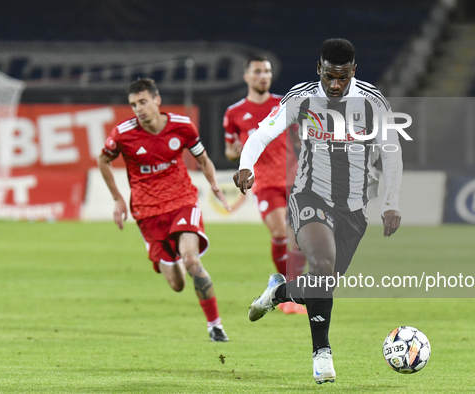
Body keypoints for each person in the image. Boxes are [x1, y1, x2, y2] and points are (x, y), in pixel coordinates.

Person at [233, 39, 403, 384]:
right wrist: (246, 164)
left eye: (342, 77)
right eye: (328, 76)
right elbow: (262, 134)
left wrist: (390, 202)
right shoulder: (301, 96)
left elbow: (391, 153)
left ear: (353, 71)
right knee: (322, 266)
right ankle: (321, 355)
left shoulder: (372, 101)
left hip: (354, 209)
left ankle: (277, 293)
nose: (335, 84)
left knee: (322, 284)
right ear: (319, 69)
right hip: (311, 196)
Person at [98, 78, 230, 342]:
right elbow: (103, 160)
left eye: (143, 102)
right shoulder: (123, 133)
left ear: (157, 100)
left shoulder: (182, 126)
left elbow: (202, 159)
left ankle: (215, 326)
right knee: (177, 285)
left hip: (182, 201)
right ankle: (166, 252)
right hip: (147, 212)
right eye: (134, 104)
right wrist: (118, 199)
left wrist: (214, 184)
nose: (139, 108)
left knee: (192, 259)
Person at [223, 55, 307, 315]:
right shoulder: (234, 113)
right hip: (265, 182)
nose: (263, 76)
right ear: (247, 76)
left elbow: (300, 137)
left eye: (267, 71)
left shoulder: (283, 105)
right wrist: (236, 152)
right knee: (281, 231)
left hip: (294, 179)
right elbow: (229, 150)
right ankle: (285, 291)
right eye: (258, 71)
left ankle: (284, 289)